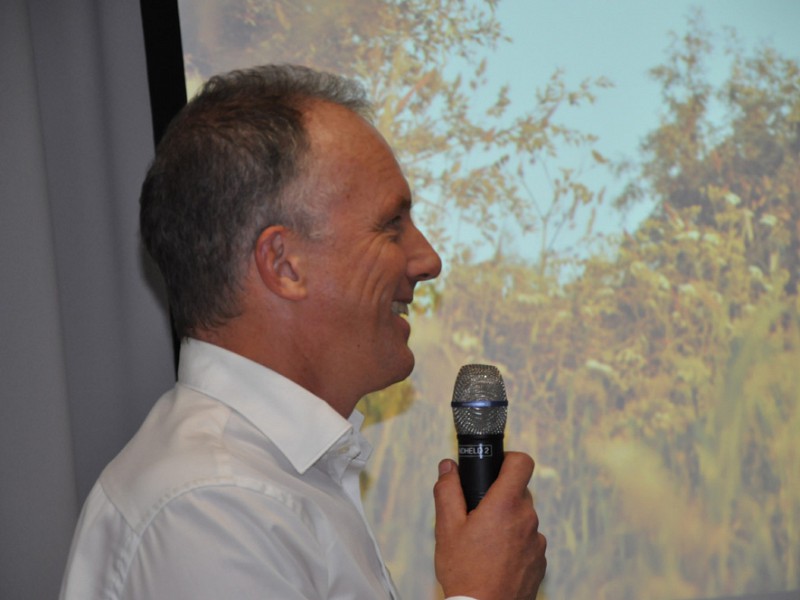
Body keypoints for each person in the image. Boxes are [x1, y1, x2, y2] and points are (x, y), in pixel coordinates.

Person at [59, 64, 546, 600]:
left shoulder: (272, 478)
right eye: (391, 225)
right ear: (284, 264)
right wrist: (483, 593)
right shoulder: (208, 506)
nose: (428, 259)